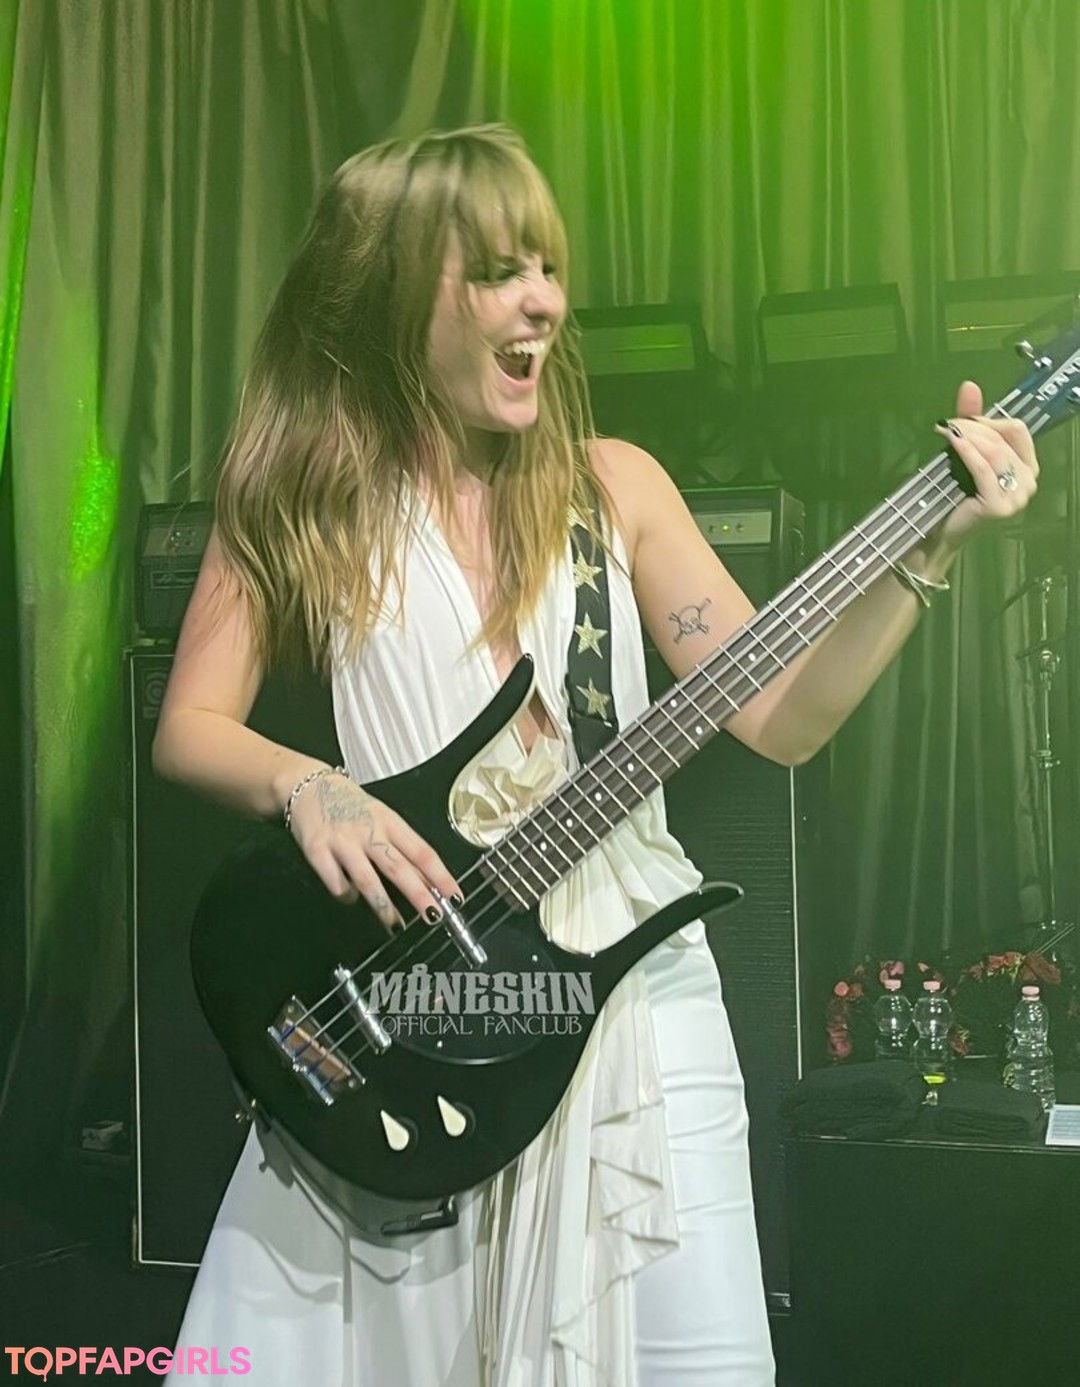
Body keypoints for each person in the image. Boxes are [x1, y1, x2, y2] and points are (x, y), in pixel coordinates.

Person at [153, 124, 1038, 1387]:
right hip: (418, 997)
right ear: (401, 292)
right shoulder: (306, 498)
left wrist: (929, 553)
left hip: (640, 1002)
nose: (544, 303)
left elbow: (783, 717)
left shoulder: (613, 489)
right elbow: (190, 727)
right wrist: (309, 786)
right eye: (499, 272)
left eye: (549, 269)